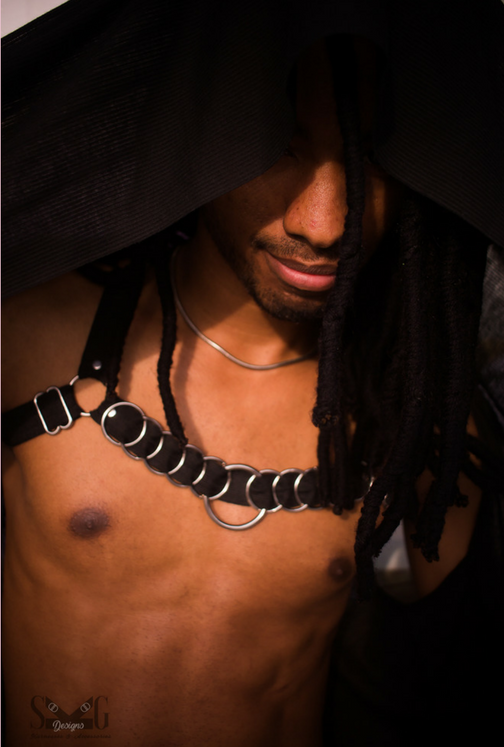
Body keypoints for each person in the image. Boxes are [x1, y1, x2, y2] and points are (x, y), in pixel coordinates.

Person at [2, 5, 503, 746]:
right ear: (201, 135)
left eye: (371, 161)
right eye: (279, 149)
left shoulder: (411, 410)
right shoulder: (31, 331)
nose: (324, 224)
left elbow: (470, 664)